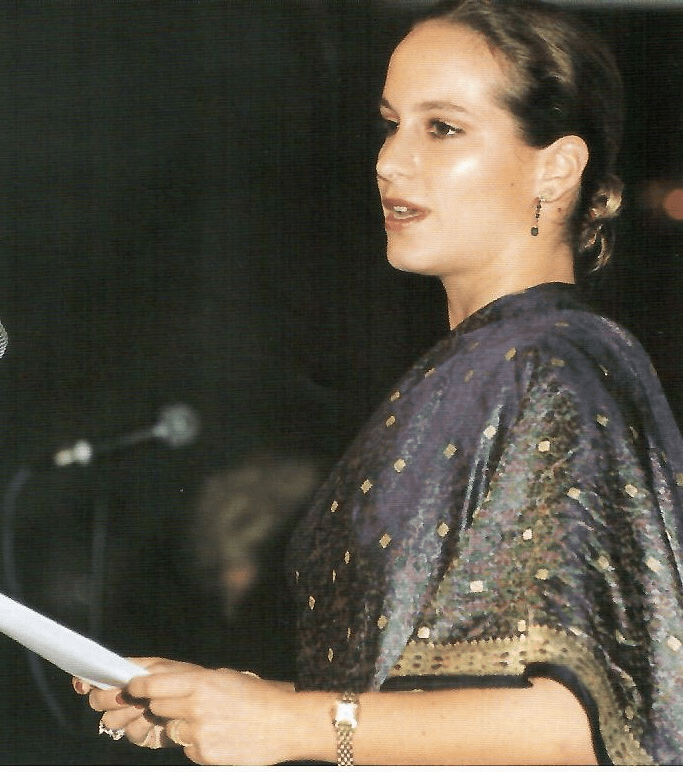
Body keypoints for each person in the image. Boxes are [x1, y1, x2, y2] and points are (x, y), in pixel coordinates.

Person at [73, 0, 683, 764]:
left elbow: (583, 727)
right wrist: (233, 707)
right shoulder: (480, 364)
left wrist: (289, 724)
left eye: (442, 127)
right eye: (390, 123)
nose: (389, 161)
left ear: (554, 168)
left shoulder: (551, 362)